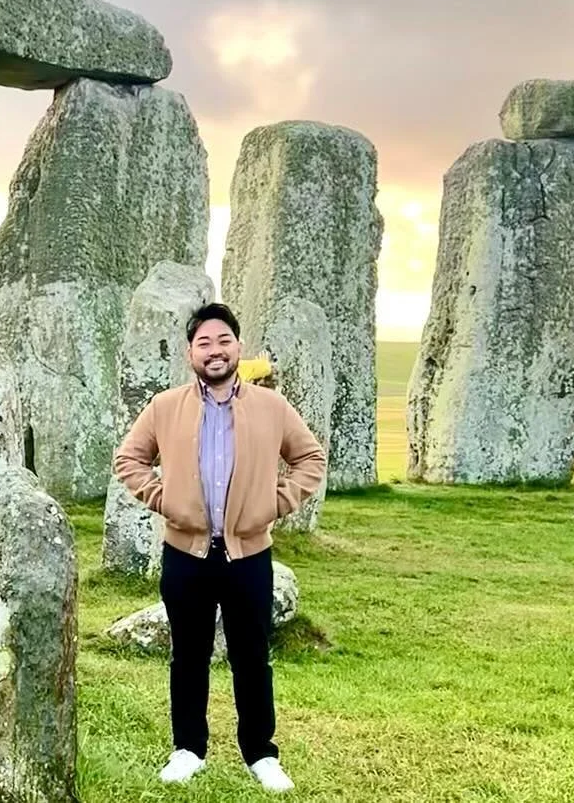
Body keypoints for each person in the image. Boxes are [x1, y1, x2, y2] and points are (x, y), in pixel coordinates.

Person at [113, 302, 327, 793]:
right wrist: (164, 499)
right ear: (191, 353)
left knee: (252, 657)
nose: (214, 350)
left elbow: (309, 458)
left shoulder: (272, 408)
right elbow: (129, 459)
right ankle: (188, 749)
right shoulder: (165, 407)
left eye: (223, 341)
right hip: (186, 555)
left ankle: (261, 754)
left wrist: (274, 504)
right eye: (204, 343)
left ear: (238, 348)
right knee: (188, 656)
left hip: (248, 556)